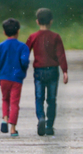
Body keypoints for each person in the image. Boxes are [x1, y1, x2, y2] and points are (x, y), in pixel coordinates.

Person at [25, 8, 68, 136]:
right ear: (51, 21)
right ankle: (49, 126)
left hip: (39, 71)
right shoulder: (56, 37)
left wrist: (21, 67)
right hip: (53, 71)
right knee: (51, 99)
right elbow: (61, 55)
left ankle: (41, 118)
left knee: (39, 98)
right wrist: (65, 71)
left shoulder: (33, 37)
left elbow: (25, 52)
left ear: (37, 22)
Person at [0, 18, 30, 137]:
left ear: (4, 32)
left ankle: (4, 119)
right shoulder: (23, 47)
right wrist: (22, 70)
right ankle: (13, 128)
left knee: (5, 99)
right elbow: (24, 61)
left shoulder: (1, 46)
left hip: (4, 78)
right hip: (16, 78)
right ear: (18, 31)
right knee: (14, 102)